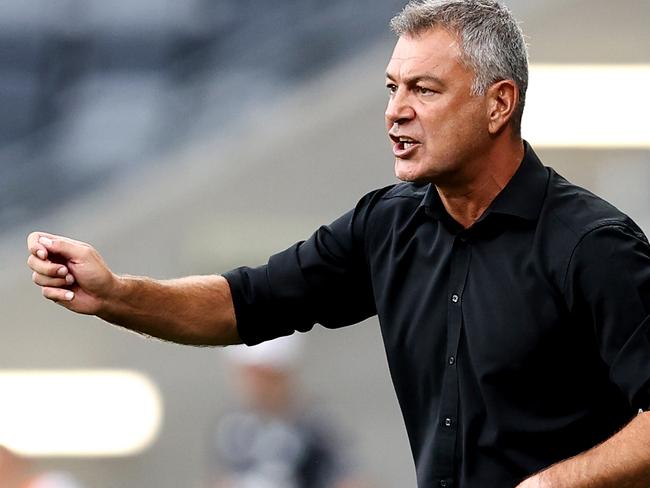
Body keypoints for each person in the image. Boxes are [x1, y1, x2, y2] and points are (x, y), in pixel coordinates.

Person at [26, 1, 650, 487]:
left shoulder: (593, 247)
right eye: (391, 88)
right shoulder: (387, 226)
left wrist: (553, 483)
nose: (396, 111)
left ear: (499, 104)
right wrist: (115, 294)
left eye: (424, 90)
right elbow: (243, 304)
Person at [207, 335, 366, 488]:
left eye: (263, 375)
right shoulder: (232, 427)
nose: (254, 384)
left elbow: (348, 479)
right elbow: (221, 478)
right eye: (248, 375)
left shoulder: (315, 424)